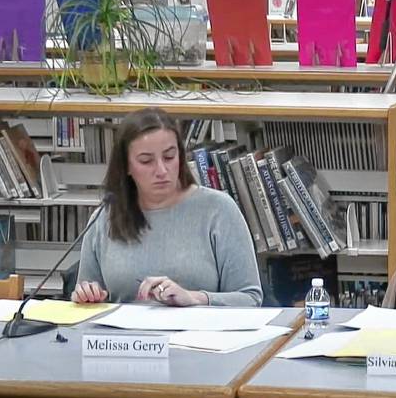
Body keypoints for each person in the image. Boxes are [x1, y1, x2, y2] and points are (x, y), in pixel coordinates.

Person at [71, 107, 262, 307]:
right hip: (125, 337)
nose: (162, 170)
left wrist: (194, 298)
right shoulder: (104, 216)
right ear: (126, 166)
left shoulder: (219, 210)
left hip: (198, 336)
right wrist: (86, 296)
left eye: (169, 157)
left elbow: (250, 299)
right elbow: (86, 301)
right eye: (146, 161)